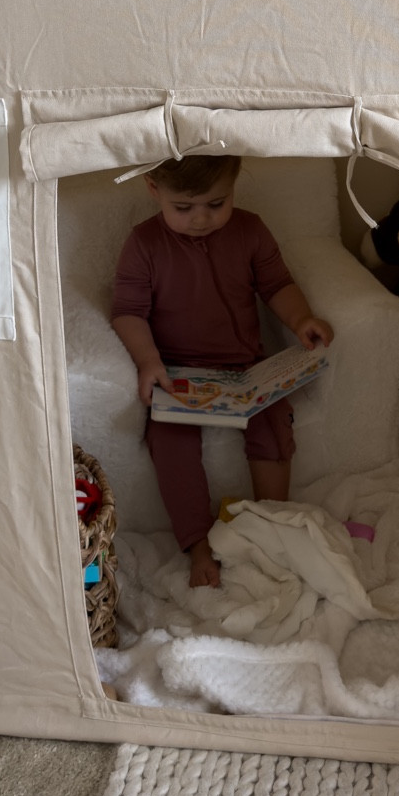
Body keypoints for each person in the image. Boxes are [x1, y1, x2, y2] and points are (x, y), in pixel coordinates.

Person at [111, 156, 333, 587]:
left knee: (273, 418)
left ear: (234, 186)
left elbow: (276, 284)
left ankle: (270, 519)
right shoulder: (143, 243)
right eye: (184, 208)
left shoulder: (249, 229)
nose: (201, 219)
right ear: (153, 189)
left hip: (246, 366)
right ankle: (197, 545)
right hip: (177, 370)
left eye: (217, 203)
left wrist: (301, 319)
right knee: (167, 437)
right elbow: (128, 312)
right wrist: (148, 361)